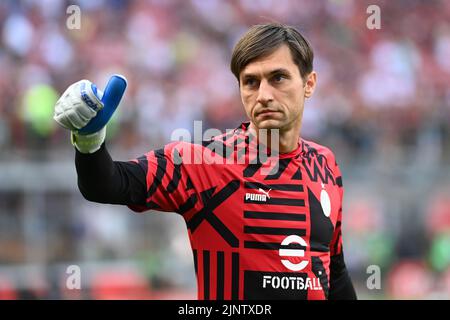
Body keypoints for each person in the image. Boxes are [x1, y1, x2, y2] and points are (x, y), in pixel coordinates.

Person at [53, 23, 357, 300]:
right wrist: (91, 141)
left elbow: (335, 271)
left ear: (309, 84)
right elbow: (106, 185)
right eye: (251, 82)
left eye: (278, 77)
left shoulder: (325, 164)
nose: (264, 94)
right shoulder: (204, 163)